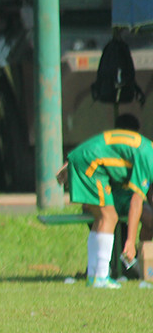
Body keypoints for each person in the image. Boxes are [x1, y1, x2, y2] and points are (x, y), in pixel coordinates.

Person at [58, 113, 153, 288]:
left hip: (86, 159)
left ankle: (94, 276)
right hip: (92, 164)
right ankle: (100, 277)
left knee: (102, 219)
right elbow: (136, 201)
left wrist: (70, 164)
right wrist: (130, 242)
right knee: (109, 217)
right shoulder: (149, 157)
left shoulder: (146, 147)